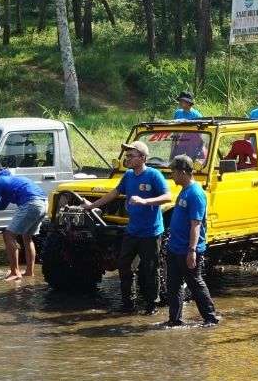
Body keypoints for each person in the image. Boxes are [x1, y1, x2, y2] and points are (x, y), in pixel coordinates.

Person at [81, 140, 169, 315]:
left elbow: (167, 197)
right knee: (124, 266)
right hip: (132, 230)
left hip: (150, 232)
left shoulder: (154, 175)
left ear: (143, 158)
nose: (127, 159)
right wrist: (92, 205)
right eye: (126, 156)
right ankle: (128, 304)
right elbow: (114, 193)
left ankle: (152, 304)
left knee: (150, 268)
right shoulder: (128, 175)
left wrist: (145, 201)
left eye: (131, 156)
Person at [161, 155, 219, 327]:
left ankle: (210, 318)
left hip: (188, 249)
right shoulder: (184, 190)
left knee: (195, 283)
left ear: (183, 172)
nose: (172, 175)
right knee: (173, 285)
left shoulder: (196, 194)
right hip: (175, 247)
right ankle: (175, 320)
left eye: (174, 172)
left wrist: (192, 250)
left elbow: (196, 224)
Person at [0, 159, 45, 280]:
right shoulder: (8, 180)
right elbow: (1, 205)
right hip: (43, 204)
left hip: (31, 203)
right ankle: (29, 272)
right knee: (27, 237)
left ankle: (15, 272)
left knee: (8, 235)